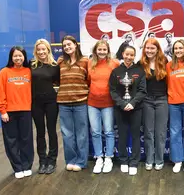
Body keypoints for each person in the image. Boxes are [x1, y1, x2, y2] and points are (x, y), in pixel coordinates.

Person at [0, 46, 34, 179]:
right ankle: (17, 167)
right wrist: (2, 111)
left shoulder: (29, 71)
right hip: (9, 112)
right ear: (11, 57)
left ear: (24, 57)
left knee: (26, 139)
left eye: (20, 55)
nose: (18, 58)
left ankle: (27, 166)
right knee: (11, 141)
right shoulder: (4, 72)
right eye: (15, 56)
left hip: (26, 110)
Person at [109, 46, 147, 176]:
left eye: (132, 55)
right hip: (120, 109)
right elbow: (112, 91)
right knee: (122, 135)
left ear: (134, 56)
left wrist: (132, 103)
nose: (129, 57)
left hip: (136, 108)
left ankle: (134, 162)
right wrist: (122, 104)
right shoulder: (116, 71)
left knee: (136, 135)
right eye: (127, 54)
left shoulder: (140, 71)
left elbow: (142, 90)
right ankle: (123, 160)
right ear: (123, 54)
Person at [57, 35, 89, 172]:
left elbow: (90, 80)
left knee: (82, 134)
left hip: (81, 102)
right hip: (63, 103)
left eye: (69, 44)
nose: (67, 47)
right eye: (64, 46)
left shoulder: (85, 61)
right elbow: (55, 80)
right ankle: (70, 160)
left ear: (75, 45)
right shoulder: (60, 61)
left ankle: (81, 161)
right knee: (67, 134)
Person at [88, 40, 119, 174]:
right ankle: (99, 157)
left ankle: (109, 158)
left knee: (108, 131)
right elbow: (87, 81)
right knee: (95, 132)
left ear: (108, 51)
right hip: (92, 103)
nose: (101, 52)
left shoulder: (115, 63)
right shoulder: (89, 63)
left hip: (109, 103)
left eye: (104, 49)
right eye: (99, 49)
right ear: (95, 51)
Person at [166, 39, 184, 174]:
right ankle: (178, 160)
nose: (178, 51)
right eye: (176, 48)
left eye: (180, 48)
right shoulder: (169, 65)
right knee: (175, 132)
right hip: (173, 103)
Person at [30, 39, 60, 174]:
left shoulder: (54, 66)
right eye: (39, 49)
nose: (41, 52)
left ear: (48, 50)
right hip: (36, 103)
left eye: (44, 49)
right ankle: (42, 161)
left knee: (52, 131)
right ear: (36, 51)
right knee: (40, 132)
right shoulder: (31, 65)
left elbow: (58, 82)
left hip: (51, 102)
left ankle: (52, 160)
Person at [140, 38, 168, 171]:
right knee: (148, 132)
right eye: (147, 48)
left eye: (152, 48)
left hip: (162, 100)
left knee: (161, 133)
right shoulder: (140, 64)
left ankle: (159, 160)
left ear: (157, 49)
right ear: (144, 49)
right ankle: (149, 160)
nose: (150, 51)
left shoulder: (165, 62)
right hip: (147, 101)